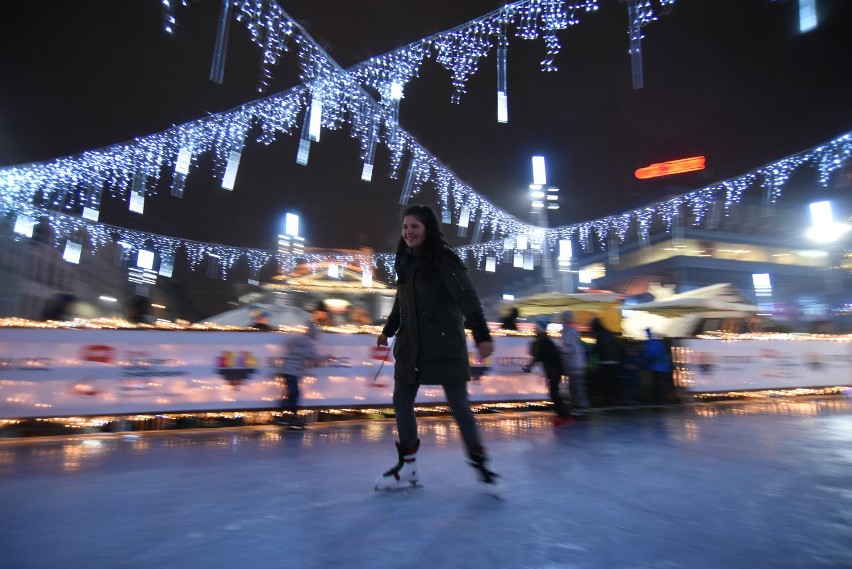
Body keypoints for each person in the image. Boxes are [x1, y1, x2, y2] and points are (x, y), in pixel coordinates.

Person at [375, 204, 500, 494]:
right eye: (406, 227)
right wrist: (388, 330)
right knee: (401, 401)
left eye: (415, 226)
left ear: (428, 229)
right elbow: (401, 302)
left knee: (458, 405)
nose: (409, 232)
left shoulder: (445, 260)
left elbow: (467, 298)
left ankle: (481, 465)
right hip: (410, 346)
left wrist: (481, 334)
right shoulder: (404, 262)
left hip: (444, 345)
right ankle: (408, 465)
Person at [526, 318, 572, 425]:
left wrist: (529, 367)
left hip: (553, 370)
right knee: (553, 392)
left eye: (535, 328)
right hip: (554, 369)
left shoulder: (541, 341)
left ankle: (564, 415)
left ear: (539, 328)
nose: (534, 330)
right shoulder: (545, 340)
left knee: (554, 392)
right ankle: (562, 414)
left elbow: (537, 357)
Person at [276, 322, 321, 430]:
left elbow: (286, 344)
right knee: (295, 394)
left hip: (286, 370)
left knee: (293, 394)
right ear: (313, 334)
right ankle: (288, 412)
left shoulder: (296, 337)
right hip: (293, 372)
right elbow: (314, 357)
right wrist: (327, 358)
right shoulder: (309, 344)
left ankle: (288, 416)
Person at [558, 310, 591, 420]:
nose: (560, 321)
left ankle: (581, 408)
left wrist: (559, 348)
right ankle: (578, 407)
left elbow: (570, 348)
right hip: (575, 363)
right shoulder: (571, 330)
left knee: (576, 387)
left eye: (562, 319)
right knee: (575, 387)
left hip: (574, 364)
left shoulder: (569, 331)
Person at [591, 317, 623, 405]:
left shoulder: (599, 334)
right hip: (615, 360)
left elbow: (598, 347)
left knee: (605, 380)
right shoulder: (608, 332)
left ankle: (608, 398)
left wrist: (590, 351)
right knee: (612, 380)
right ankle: (614, 398)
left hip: (605, 360)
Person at [641, 328, 674, 403]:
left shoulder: (650, 343)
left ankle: (656, 399)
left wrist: (646, 362)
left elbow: (648, 354)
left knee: (655, 384)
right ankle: (661, 398)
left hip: (654, 367)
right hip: (664, 367)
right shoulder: (661, 343)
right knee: (660, 384)